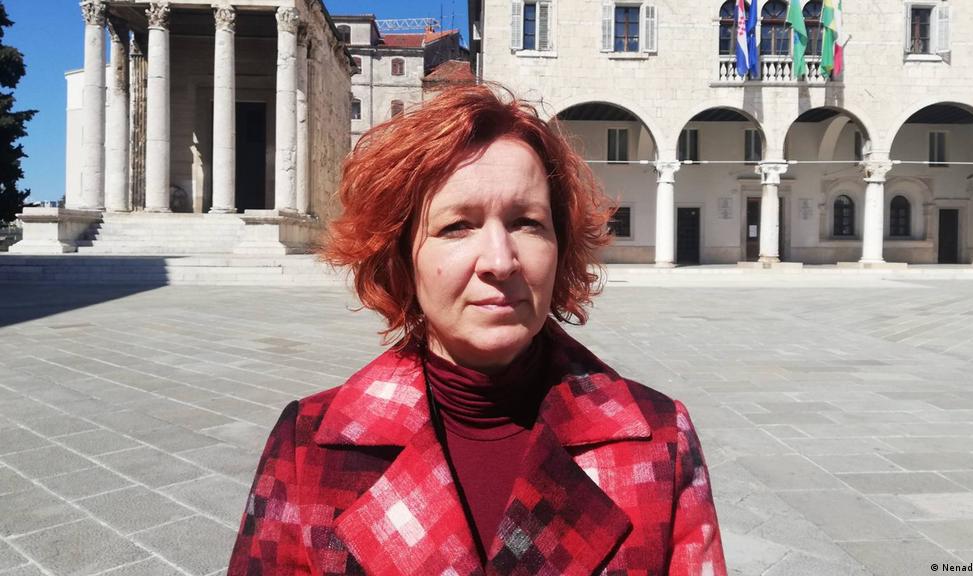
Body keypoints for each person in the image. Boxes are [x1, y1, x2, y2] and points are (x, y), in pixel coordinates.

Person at [228, 84, 726, 576]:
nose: (500, 261)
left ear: (560, 248)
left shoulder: (661, 441)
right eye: (457, 226)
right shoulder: (309, 448)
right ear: (402, 257)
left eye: (527, 222)